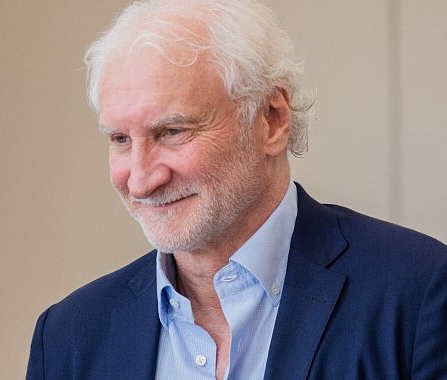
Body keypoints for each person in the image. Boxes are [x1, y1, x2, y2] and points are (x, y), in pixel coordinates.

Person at [26, 0, 447, 379]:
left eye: (172, 131)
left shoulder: (419, 293)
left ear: (272, 120)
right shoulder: (68, 337)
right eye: (120, 139)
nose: (140, 180)